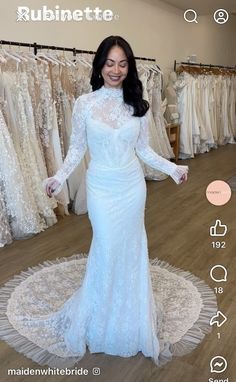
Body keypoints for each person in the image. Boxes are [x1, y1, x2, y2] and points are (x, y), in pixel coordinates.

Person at [18, 36, 190, 367]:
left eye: (122, 63)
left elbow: (143, 149)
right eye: (109, 63)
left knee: (131, 249)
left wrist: (172, 169)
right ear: (99, 65)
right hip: (101, 188)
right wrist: (58, 177)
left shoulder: (138, 105)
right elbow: (77, 149)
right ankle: (100, 316)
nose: (116, 69)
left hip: (131, 187)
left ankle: (129, 319)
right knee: (107, 246)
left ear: (130, 67)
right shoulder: (84, 103)